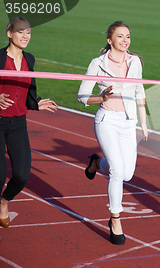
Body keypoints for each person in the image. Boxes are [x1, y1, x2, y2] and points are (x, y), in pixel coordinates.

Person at [77, 21, 148, 245]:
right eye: (120, 36)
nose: (125, 40)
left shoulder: (135, 61)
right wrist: (102, 98)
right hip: (107, 120)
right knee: (117, 171)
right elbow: (82, 96)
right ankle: (115, 219)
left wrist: (144, 124)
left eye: (128, 36)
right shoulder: (97, 63)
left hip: (129, 123)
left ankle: (97, 164)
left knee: (127, 174)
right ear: (110, 40)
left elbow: (139, 90)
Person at [0, 17, 58, 235]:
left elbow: (27, 90)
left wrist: (36, 103)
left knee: (22, 175)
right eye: (20, 32)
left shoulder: (29, 59)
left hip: (18, 123)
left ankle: (4, 202)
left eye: (28, 33)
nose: (25, 37)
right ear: (9, 34)